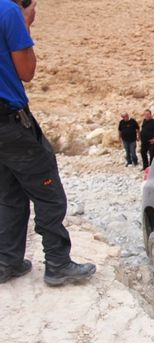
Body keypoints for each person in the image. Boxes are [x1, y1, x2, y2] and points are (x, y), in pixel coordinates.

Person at [0, 0, 95, 285]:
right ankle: (57, 263)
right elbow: (26, 71)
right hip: (9, 121)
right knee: (48, 192)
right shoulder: (8, 11)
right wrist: (25, 22)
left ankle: (7, 262)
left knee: (9, 192)